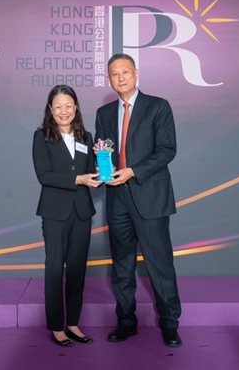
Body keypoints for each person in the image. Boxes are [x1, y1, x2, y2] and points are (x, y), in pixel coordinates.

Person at [94, 53, 182, 347]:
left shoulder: (158, 106)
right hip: (116, 197)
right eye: (114, 73)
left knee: (159, 264)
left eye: (125, 71)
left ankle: (170, 324)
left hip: (150, 196)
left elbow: (167, 149)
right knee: (122, 265)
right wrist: (101, 162)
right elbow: (105, 150)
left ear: (136, 73)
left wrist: (133, 171)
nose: (120, 77)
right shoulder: (104, 113)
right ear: (108, 79)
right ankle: (126, 321)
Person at [32, 85, 102, 346]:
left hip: (82, 212)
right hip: (55, 213)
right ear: (50, 109)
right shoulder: (42, 136)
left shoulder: (86, 136)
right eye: (58, 106)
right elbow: (44, 176)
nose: (64, 111)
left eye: (69, 105)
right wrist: (78, 179)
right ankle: (56, 326)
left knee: (77, 269)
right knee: (54, 270)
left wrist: (102, 164)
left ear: (76, 108)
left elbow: (92, 175)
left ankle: (73, 323)